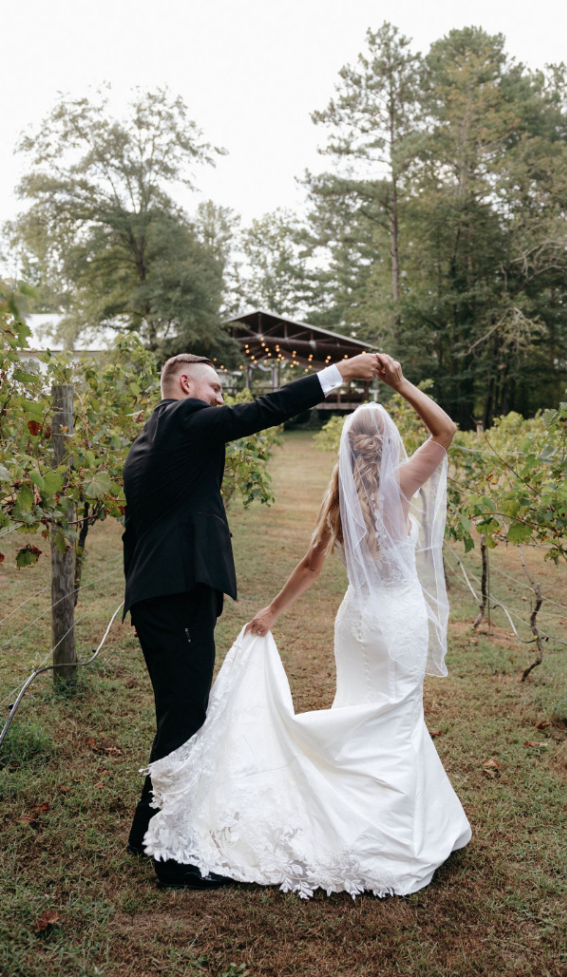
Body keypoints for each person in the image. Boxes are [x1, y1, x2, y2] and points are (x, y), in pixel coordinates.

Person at [142, 354, 472, 897]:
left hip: (356, 622)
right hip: (397, 619)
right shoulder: (401, 485)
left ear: (348, 447)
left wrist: (272, 612)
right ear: (388, 445)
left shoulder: (341, 495)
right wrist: (400, 382)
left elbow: (313, 564)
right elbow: (446, 430)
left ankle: (345, 802)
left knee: (358, 710)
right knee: (395, 713)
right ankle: (391, 828)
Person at [123, 350, 382, 889]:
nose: (221, 398)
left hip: (161, 594)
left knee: (179, 709)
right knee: (186, 715)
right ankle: (173, 863)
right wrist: (340, 373)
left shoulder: (152, 434)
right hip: (175, 596)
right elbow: (260, 411)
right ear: (187, 384)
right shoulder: (184, 419)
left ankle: (146, 829)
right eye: (216, 388)